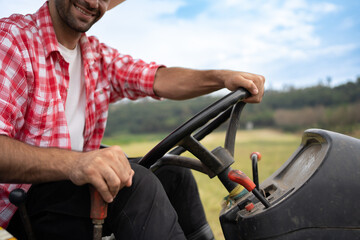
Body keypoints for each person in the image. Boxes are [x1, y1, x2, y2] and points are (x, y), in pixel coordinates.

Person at [0, 0, 265, 239]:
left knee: (174, 173)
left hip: (73, 187)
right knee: (137, 185)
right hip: (19, 207)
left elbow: (158, 79)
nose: (93, 2)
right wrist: (77, 162)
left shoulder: (95, 56)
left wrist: (221, 78)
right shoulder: (12, 39)